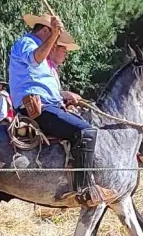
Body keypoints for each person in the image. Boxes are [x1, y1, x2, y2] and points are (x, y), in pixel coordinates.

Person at [9, 13, 110, 207]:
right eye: (53, 36)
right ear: (46, 30)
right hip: (38, 109)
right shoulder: (26, 43)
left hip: (48, 105)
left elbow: (38, 80)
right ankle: (84, 189)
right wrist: (55, 33)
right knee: (86, 132)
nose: (56, 43)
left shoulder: (42, 56)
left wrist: (63, 95)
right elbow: (35, 59)